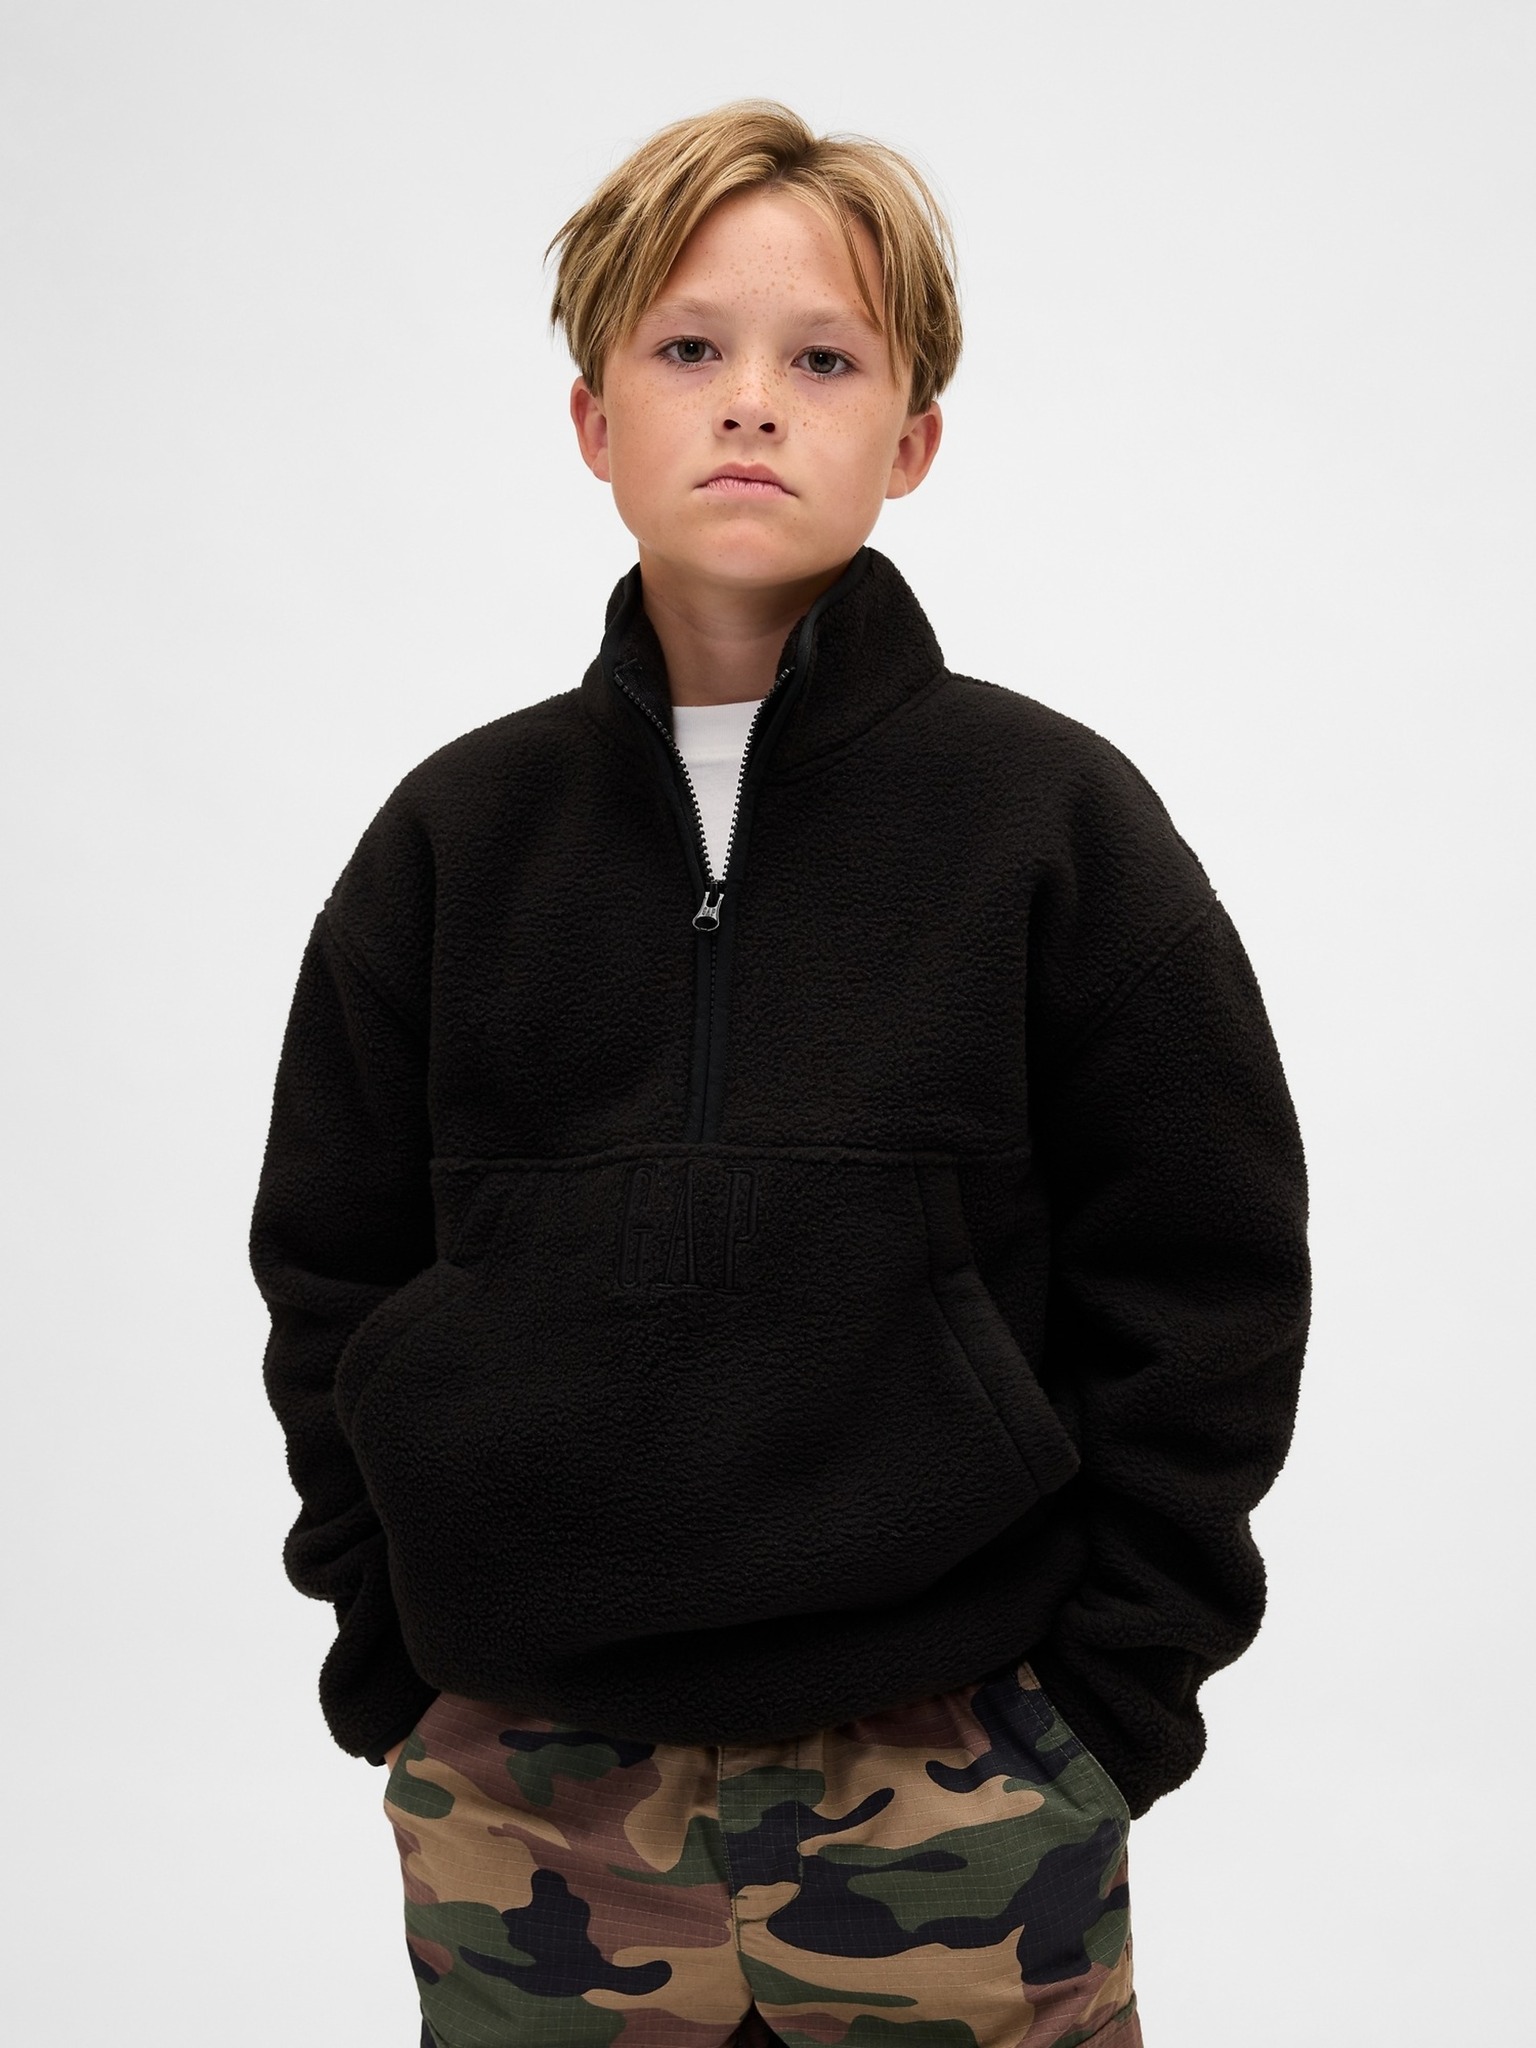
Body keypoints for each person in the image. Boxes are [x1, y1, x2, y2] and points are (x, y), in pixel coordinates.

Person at [251, 98, 1310, 2048]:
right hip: (528, 1796)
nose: (752, 399)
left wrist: (1109, 1703)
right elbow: (329, 1268)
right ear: (594, 422)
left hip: (958, 1783)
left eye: (823, 359)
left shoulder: (1051, 822)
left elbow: (1210, 1279)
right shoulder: (454, 841)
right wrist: (400, 1673)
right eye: (689, 348)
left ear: (911, 441)